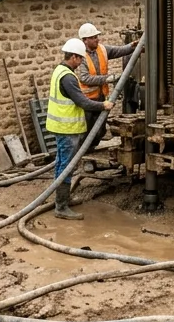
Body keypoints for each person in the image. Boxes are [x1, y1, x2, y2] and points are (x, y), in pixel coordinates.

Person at [47, 37, 114, 220]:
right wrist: (103, 106)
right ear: (74, 57)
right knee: (66, 166)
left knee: (63, 163)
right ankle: (61, 207)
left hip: (62, 127)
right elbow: (82, 102)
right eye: (80, 59)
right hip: (67, 129)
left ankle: (63, 199)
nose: (81, 62)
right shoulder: (68, 77)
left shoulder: (60, 70)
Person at [75, 23, 139, 172]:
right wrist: (108, 78)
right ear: (85, 40)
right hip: (88, 100)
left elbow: (119, 50)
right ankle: (86, 161)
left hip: (101, 97)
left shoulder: (102, 49)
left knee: (101, 131)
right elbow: (84, 78)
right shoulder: (80, 56)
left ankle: (91, 156)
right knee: (88, 132)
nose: (97, 39)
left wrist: (132, 46)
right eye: (93, 37)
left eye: (97, 36)